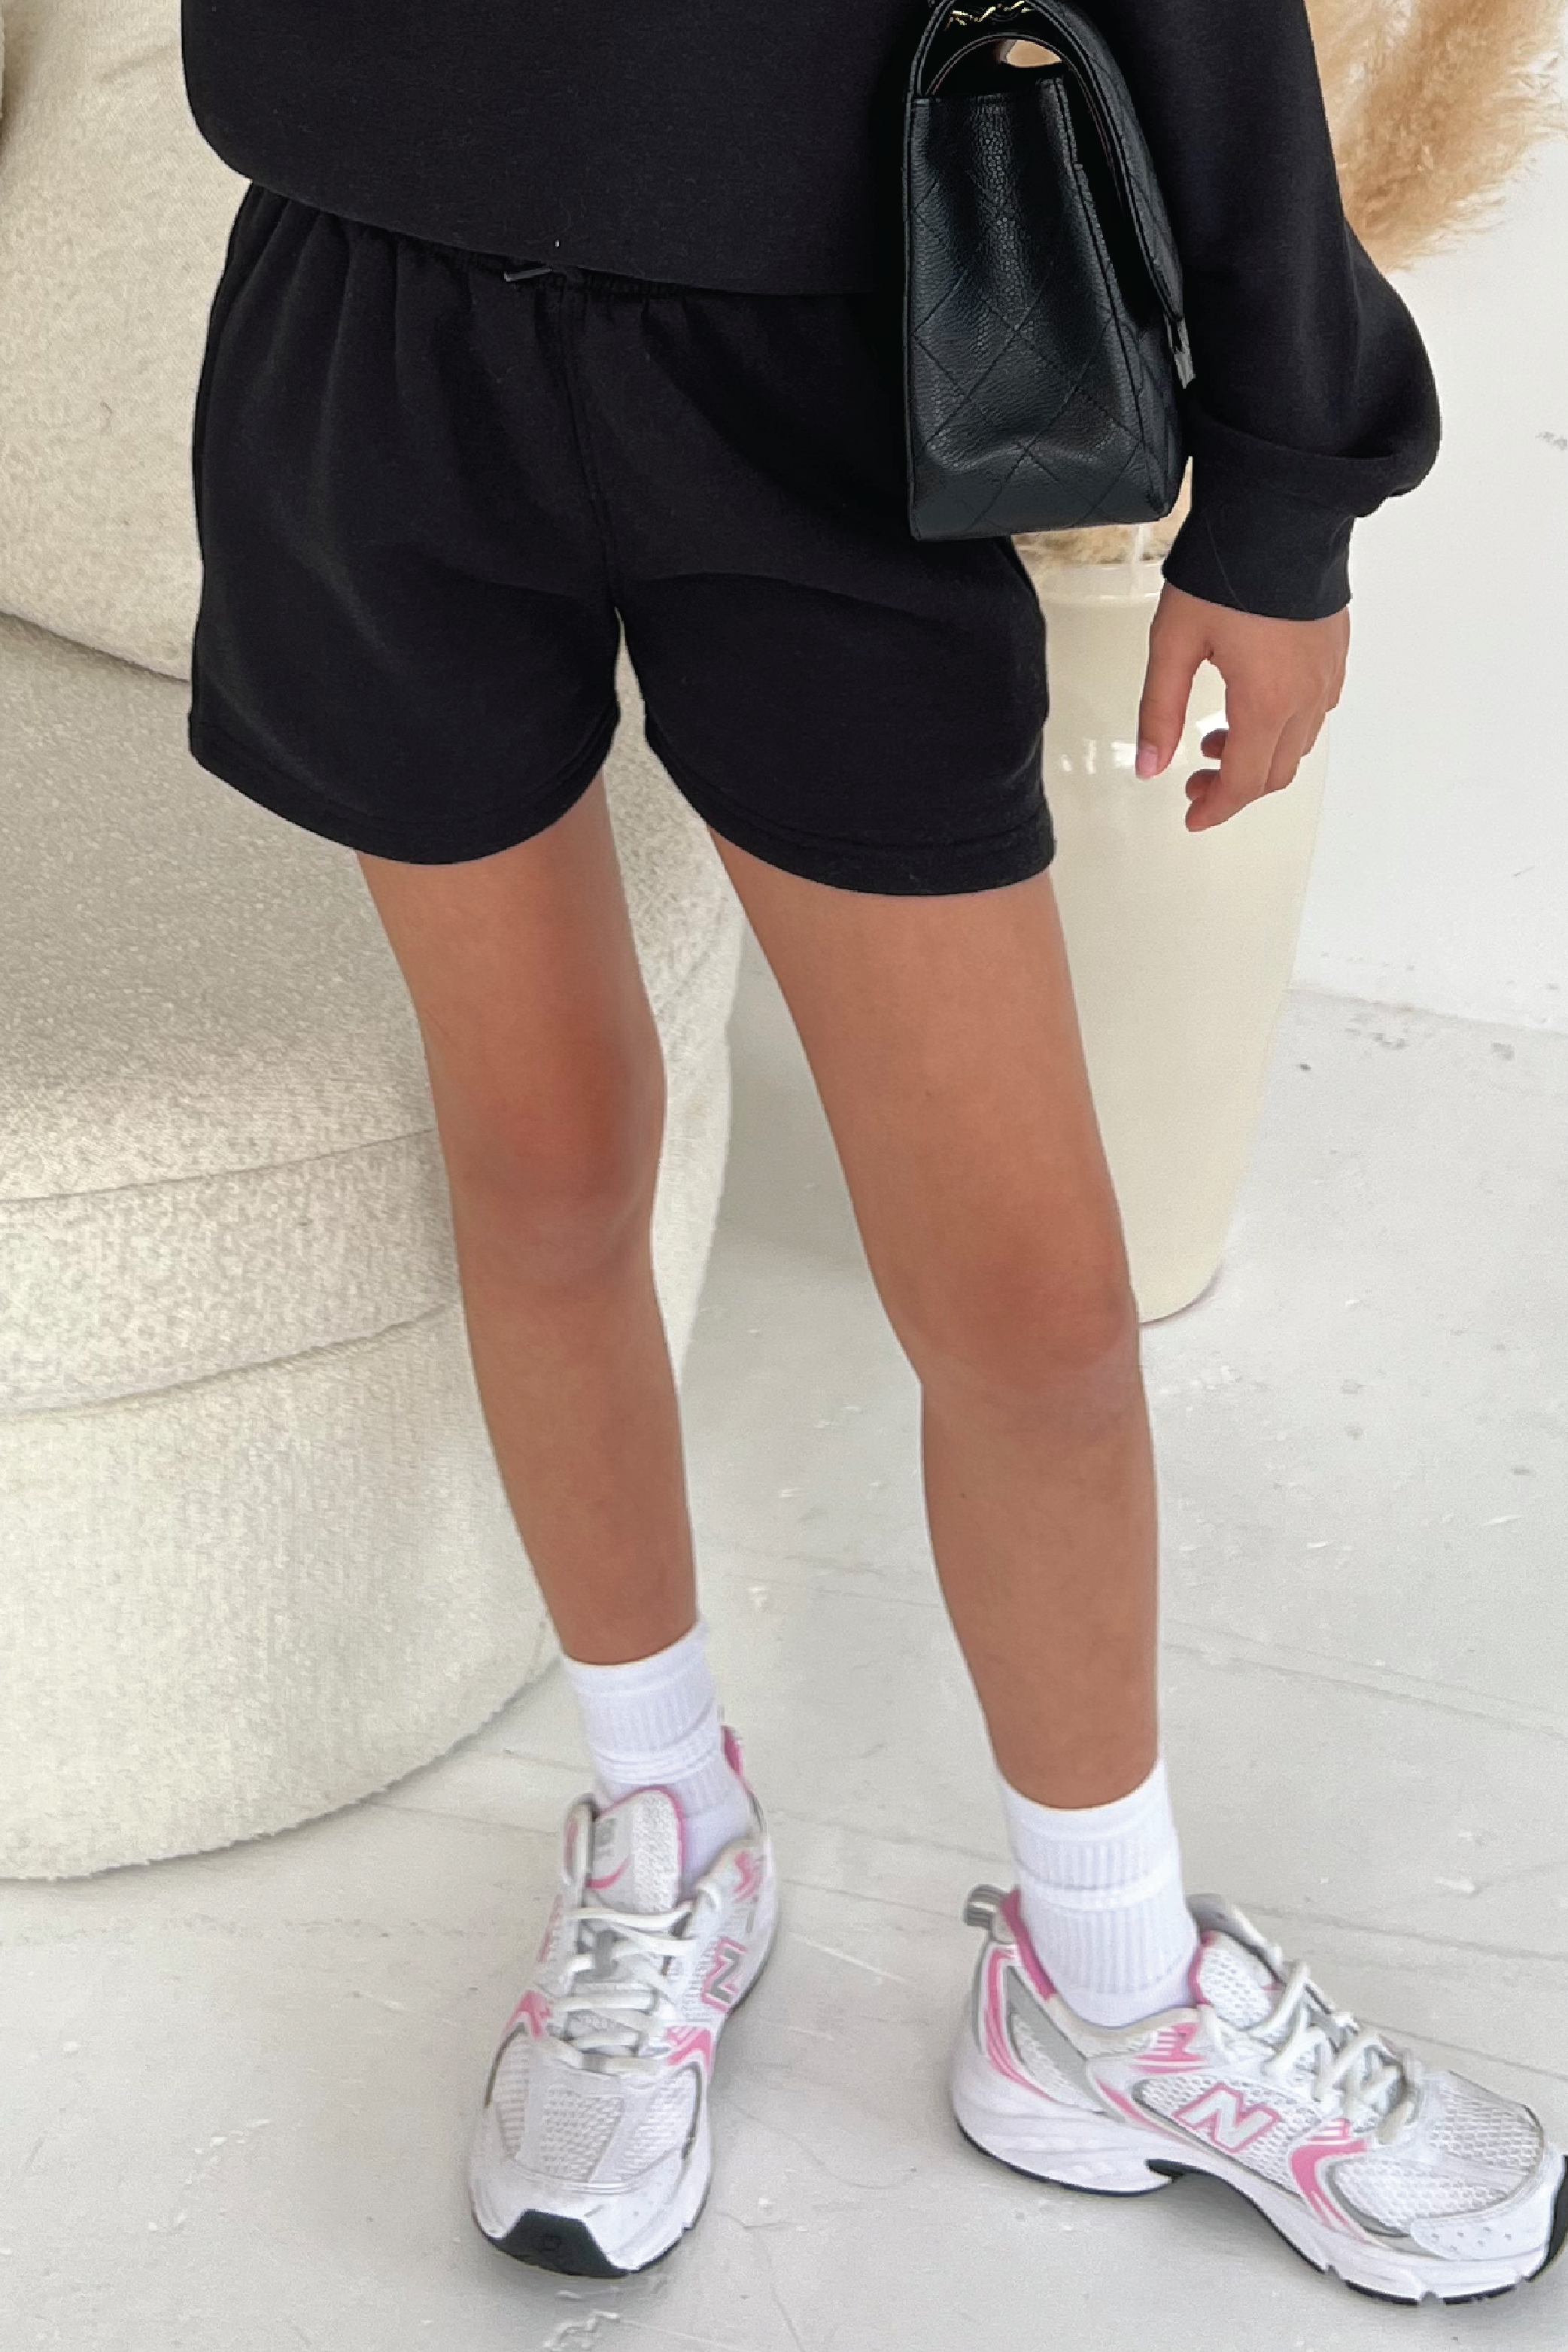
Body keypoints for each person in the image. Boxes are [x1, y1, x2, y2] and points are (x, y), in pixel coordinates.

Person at [177, 0, 1564, 2306]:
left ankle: (1106, 1989)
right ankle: (664, 1820)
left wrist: (1283, 490)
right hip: (369, 328)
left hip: (824, 371)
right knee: (540, 1159)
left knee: (1030, 1301)